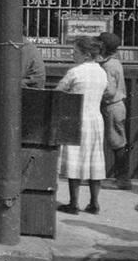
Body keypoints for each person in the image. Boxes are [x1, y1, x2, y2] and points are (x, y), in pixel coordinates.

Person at [56, 36, 109, 215]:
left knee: (75, 161)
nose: (72, 54)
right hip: (95, 120)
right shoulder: (102, 72)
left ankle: (74, 203)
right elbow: (107, 92)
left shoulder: (75, 72)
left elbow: (58, 92)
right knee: (95, 160)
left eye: (75, 52)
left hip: (76, 119)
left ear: (86, 55)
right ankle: (94, 203)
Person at [97, 31, 131, 189]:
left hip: (112, 106)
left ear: (103, 47)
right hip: (115, 106)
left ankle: (123, 180)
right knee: (117, 141)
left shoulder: (109, 65)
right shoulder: (113, 62)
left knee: (117, 142)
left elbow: (109, 91)